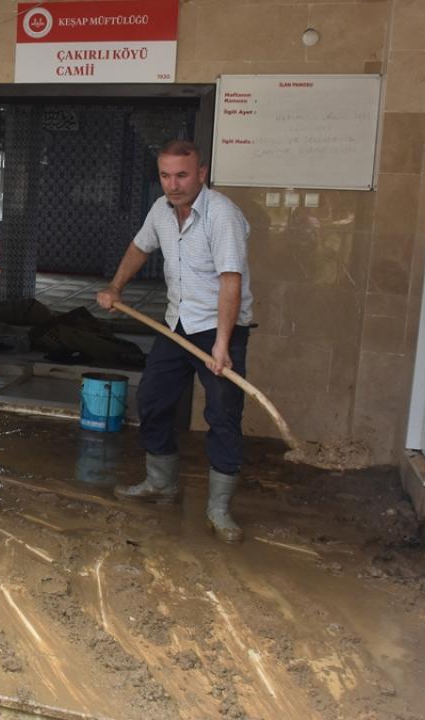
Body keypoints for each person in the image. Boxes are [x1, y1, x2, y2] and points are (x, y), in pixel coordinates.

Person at [96, 140, 253, 543]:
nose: (173, 184)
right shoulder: (160, 211)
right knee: (152, 398)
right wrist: (115, 287)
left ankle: (219, 508)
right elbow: (139, 247)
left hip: (219, 327)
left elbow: (231, 281)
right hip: (177, 325)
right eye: (165, 175)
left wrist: (222, 344)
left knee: (222, 413)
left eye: (182, 175)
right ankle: (161, 481)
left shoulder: (222, 215)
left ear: (201, 173)